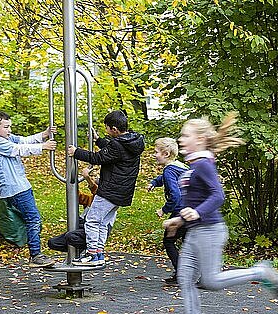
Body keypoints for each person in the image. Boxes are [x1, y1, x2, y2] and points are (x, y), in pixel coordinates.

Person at [162, 113, 278, 314]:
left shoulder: (203, 164)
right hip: (196, 232)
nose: (181, 139)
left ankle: (260, 272)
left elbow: (218, 195)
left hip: (209, 231)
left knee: (212, 281)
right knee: (185, 278)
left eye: (185, 135)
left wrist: (196, 213)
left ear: (199, 139)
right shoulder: (196, 163)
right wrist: (179, 219)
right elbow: (197, 200)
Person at [67, 110, 145, 266]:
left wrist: (76, 152)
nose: (106, 131)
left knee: (92, 221)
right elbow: (114, 150)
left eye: (107, 128)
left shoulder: (118, 145)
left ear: (114, 129)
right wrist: (98, 140)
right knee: (102, 223)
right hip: (122, 193)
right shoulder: (133, 141)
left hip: (110, 191)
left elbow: (99, 158)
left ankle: (91, 255)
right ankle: (99, 253)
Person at [0, 110, 57, 268]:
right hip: (15, 188)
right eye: (6, 127)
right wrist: (43, 147)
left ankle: (33, 250)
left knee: (32, 219)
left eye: (10, 126)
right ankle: (35, 254)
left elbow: (24, 141)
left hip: (21, 185)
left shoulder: (7, 138)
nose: (9, 130)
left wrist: (43, 134)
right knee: (33, 219)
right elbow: (19, 150)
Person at [147, 137, 188, 284]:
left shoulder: (169, 171)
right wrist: (154, 182)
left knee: (169, 241)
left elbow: (175, 195)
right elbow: (166, 177)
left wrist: (164, 210)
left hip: (180, 212)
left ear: (165, 154)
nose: (154, 154)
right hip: (191, 209)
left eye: (156, 152)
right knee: (188, 242)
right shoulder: (180, 166)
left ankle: (181, 274)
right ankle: (197, 273)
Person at [48, 167, 105, 252]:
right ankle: (78, 251)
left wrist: (87, 178)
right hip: (81, 227)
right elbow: (77, 197)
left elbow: (96, 190)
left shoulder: (104, 200)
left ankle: (87, 249)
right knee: (52, 242)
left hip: (92, 229)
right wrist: (72, 184)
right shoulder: (91, 199)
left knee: (71, 236)